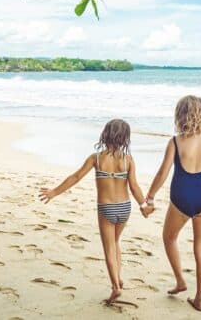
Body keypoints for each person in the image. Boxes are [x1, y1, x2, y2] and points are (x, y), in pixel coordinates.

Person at [39, 119, 149, 303]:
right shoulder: (128, 160)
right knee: (115, 242)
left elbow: (75, 177)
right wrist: (144, 205)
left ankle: (115, 287)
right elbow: (135, 186)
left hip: (106, 208)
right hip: (125, 208)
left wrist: (54, 192)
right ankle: (118, 279)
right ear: (125, 138)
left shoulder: (96, 158)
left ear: (105, 134)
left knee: (108, 249)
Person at [145, 95, 201, 312]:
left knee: (169, 238)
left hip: (181, 199)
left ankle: (180, 281)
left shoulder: (175, 142)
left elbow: (163, 172)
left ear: (181, 115)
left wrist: (150, 196)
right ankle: (199, 299)